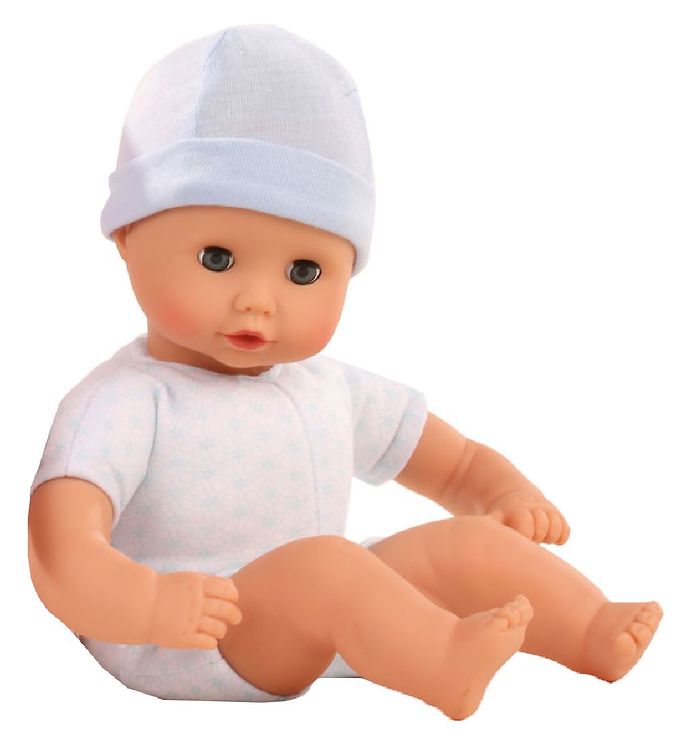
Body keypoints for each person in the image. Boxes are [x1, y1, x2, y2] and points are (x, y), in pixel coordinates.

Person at [27, 24, 662, 721]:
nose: (258, 300)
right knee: (329, 566)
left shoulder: (325, 385)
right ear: (128, 234)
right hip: (188, 635)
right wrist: (148, 603)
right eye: (218, 258)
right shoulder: (126, 402)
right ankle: (439, 657)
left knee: (467, 546)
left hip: (323, 607)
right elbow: (60, 551)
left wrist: (499, 492)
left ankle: (589, 629)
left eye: (303, 271)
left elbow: (452, 464)